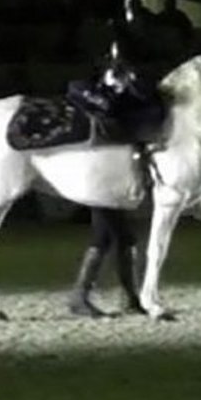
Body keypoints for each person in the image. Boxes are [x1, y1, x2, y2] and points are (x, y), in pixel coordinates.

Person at [65, 47, 165, 317]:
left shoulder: (132, 99)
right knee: (109, 235)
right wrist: (119, 90)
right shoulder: (89, 93)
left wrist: (128, 88)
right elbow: (106, 106)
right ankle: (82, 296)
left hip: (111, 175)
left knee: (121, 236)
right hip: (99, 175)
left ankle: (127, 298)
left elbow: (149, 106)